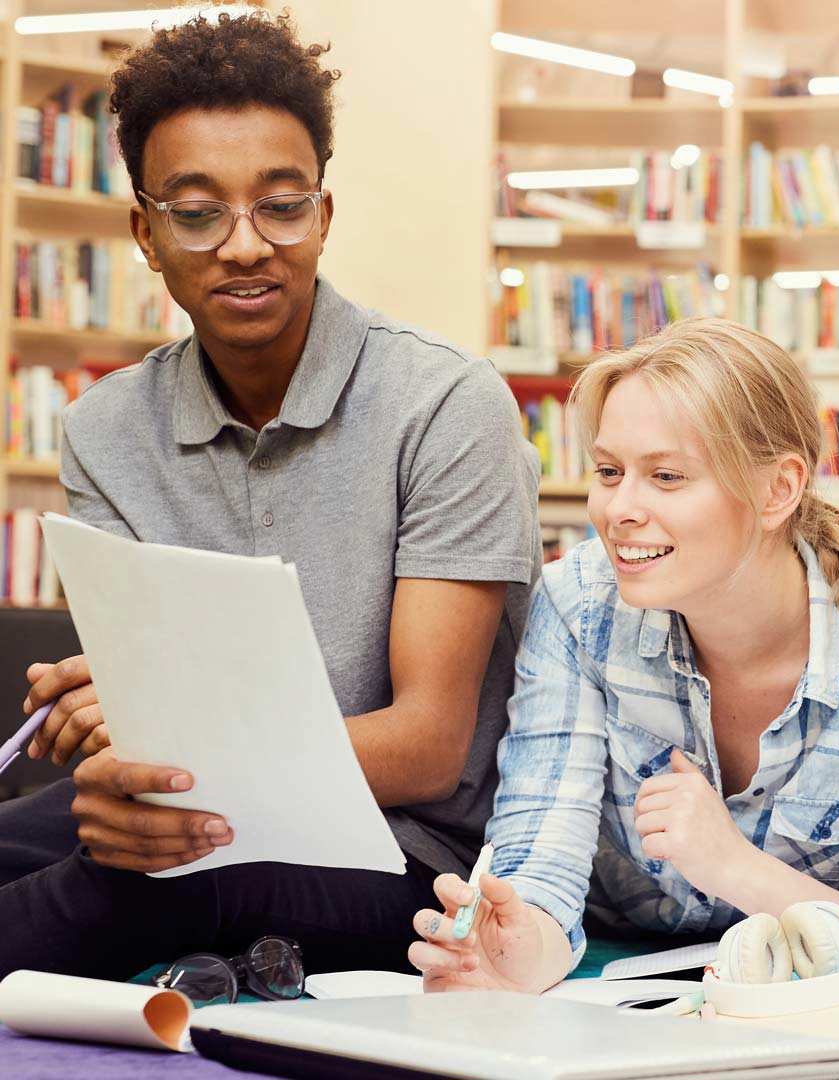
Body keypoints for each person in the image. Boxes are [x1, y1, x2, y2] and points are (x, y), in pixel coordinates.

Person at [0, 10, 537, 981]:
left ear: (323, 215)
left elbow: (425, 748)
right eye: (197, 212)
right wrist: (111, 739)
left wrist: (167, 755)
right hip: (206, 799)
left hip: (407, 851)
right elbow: (158, 709)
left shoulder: (448, 405)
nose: (245, 245)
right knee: (66, 836)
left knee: (157, 879)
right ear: (146, 233)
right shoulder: (106, 430)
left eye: (281, 205)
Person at [406, 319, 839, 991]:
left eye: (667, 476)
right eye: (609, 472)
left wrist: (732, 865)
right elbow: (543, 861)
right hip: (616, 995)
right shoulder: (577, 606)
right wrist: (513, 951)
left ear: (777, 490)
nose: (619, 508)